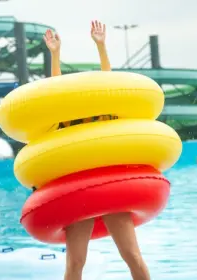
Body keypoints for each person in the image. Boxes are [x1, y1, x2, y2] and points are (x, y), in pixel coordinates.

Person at [43, 21, 151, 280]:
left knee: (133, 256)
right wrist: (54, 54)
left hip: (110, 187)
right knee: (75, 263)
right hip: (78, 190)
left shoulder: (106, 115)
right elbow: (53, 93)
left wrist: (101, 46)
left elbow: (110, 81)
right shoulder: (66, 119)